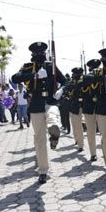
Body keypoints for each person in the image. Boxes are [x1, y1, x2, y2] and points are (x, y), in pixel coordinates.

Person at [11, 42, 66, 184]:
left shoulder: (50, 66)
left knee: (53, 115)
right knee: (39, 138)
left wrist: (61, 90)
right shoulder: (28, 67)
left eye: (42, 53)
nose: (40, 55)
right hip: (35, 103)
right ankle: (43, 170)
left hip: (50, 100)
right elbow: (15, 78)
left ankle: (54, 131)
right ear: (33, 55)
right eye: (37, 53)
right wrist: (34, 75)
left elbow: (65, 81)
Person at [81, 59, 102, 162]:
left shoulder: (102, 76)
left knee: (105, 131)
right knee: (91, 132)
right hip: (89, 108)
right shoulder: (87, 77)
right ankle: (93, 153)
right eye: (93, 68)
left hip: (100, 107)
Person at [64, 67, 85, 152]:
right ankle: (77, 139)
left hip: (83, 105)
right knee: (75, 125)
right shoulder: (71, 83)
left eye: (78, 74)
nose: (76, 75)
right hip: (74, 106)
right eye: (75, 74)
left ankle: (81, 144)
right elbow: (67, 92)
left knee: (79, 126)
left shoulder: (83, 82)